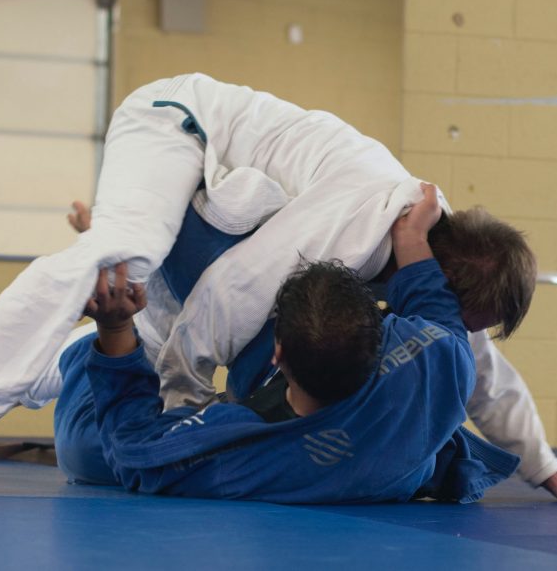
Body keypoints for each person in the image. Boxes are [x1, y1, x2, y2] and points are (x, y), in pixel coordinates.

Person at [0, 73, 557, 504]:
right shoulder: (359, 220)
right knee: (129, 251)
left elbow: (481, 368)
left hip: (223, 199)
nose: (457, 325)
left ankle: (72, 352)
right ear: (440, 274)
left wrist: (548, 470)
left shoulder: (429, 271)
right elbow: (228, 291)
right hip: (174, 124)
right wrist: (181, 409)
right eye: (463, 311)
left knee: (136, 314)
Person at [53, 186, 519, 502]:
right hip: (379, 451)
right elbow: (434, 304)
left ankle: (88, 347)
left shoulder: (243, 453)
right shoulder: (440, 360)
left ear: (278, 354)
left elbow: (132, 450)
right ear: (381, 336)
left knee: (85, 452)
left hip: (248, 420)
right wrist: (414, 239)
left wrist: (114, 330)